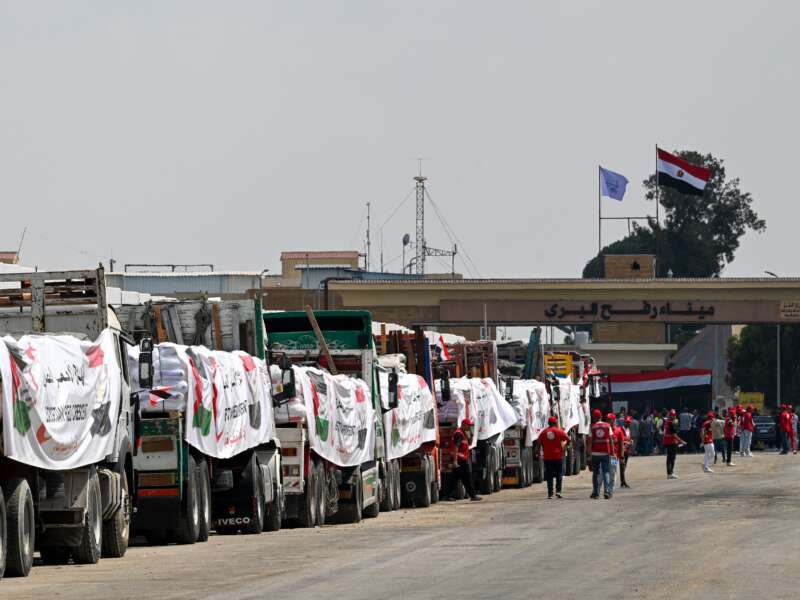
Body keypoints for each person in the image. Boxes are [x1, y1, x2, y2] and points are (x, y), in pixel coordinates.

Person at [449, 418, 481, 501]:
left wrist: (471, 433)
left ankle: (447, 495)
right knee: (467, 478)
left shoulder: (463, 433)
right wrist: (455, 461)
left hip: (461, 459)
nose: (469, 427)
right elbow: (456, 447)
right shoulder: (458, 434)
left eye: (470, 426)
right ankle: (473, 495)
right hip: (460, 460)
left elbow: (469, 443)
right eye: (468, 426)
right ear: (463, 425)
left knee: (454, 478)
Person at [540, 416, 569, 499]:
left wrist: (541, 450)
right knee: (559, 474)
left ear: (548, 423)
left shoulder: (544, 432)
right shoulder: (559, 431)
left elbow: (539, 443)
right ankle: (558, 491)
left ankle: (550, 494)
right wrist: (564, 446)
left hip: (547, 457)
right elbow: (568, 439)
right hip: (557, 456)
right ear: (555, 422)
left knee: (549, 475)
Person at [589, 409, 613, 499]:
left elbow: (590, 442)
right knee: (606, 472)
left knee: (596, 473)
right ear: (601, 416)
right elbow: (611, 439)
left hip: (595, 453)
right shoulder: (607, 426)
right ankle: (607, 492)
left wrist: (588, 455)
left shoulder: (592, 427)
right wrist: (612, 452)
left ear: (594, 417)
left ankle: (596, 493)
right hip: (605, 452)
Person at [663, 409, 684, 479]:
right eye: (673, 416)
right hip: (671, 442)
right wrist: (682, 441)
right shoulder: (671, 423)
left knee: (669, 458)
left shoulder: (667, 422)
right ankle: (670, 473)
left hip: (667, 442)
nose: (674, 417)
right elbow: (674, 434)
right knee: (672, 458)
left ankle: (669, 473)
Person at [606, 413, 621, 494]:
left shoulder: (618, 431)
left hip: (614, 457)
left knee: (613, 472)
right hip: (606, 455)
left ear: (613, 420)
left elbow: (621, 444)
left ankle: (610, 490)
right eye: (607, 419)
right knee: (604, 473)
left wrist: (621, 456)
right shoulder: (605, 429)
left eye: (609, 419)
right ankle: (606, 489)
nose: (608, 421)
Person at [619, 415, 633, 488]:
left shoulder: (628, 430)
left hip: (627, 451)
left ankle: (622, 481)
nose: (628, 424)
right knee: (622, 466)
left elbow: (628, 439)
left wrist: (630, 441)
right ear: (624, 422)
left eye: (629, 422)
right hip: (622, 451)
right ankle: (623, 481)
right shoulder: (620, 430)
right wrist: (627, 442)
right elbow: (620, 440)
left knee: (624, 466)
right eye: (627, 422)